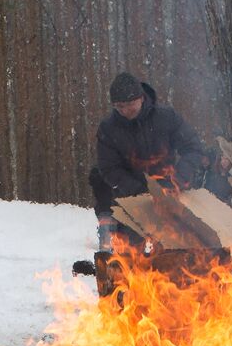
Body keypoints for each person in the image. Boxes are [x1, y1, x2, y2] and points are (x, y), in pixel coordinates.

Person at [89, 72, 209, 252]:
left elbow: (192, 148)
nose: (125, 111)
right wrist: (140, 191)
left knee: (180, 252)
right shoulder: (108, 128)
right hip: (132, 197)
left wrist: (178, 179)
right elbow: (109, 168)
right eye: (119, 106)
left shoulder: (167, 118)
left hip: (171, 193)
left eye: (130, 105)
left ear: (141, 98)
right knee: (129, 258)